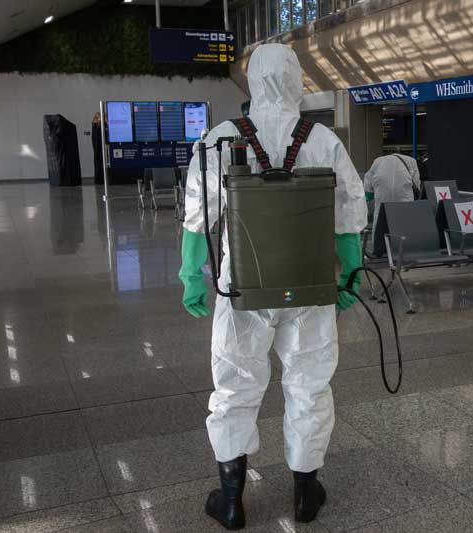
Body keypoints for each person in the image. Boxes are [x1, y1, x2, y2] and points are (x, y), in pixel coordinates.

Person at [178, 43, 367, 530]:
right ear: (295, 79)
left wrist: (190, 275)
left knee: (235, 386)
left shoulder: (222, 137)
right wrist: (349, 274)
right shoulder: (323, 138)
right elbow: (350, 212)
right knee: (309, 384)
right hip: (309, 288)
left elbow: (198, 212)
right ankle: (306, 493)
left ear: (253, 80)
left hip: (243, 288)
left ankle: (233, 499)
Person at [363, 153, 420, 230]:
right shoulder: (411, 161)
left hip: (383, 200)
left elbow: (368, 184)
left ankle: (379, 241)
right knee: (405, 226)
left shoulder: (377, 162)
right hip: (404, 200)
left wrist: (369, 196)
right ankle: (405, 241)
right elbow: (416, 183)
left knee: (380, 225)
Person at [91, 112, 103, 184]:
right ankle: (100, 180)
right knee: (99, 163)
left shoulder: (94, 126)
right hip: (98, 148)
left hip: (97, 148)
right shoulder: (96, 127)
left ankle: (98, 180)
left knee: (97, 163)